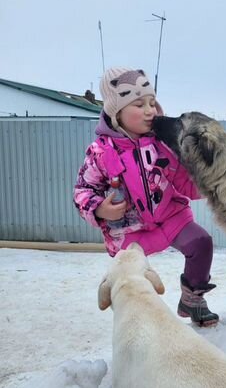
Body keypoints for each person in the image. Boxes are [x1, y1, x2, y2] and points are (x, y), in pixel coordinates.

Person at [74, 67, 218, 326]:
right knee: (132, 277)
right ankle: (139, 319)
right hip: (130, 230)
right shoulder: (100, 152)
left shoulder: (162, 143)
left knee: (202, 243)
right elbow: (83, 191)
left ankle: (192, 300)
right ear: (116, 112)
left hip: (171, 216)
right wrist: (99, 209)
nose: (150, 110)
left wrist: (210, 185)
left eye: (152, 102)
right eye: (139, 104)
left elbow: (183, 179)